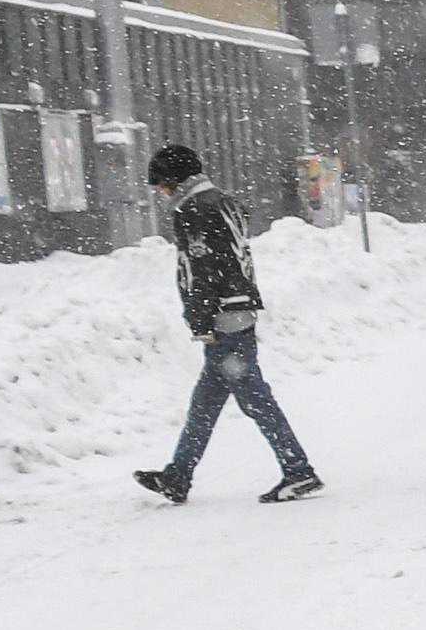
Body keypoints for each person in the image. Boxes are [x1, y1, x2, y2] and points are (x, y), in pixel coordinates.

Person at [133, 142, 322, 506]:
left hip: (224, 318)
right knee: (205, 402)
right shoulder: (222, 201)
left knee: (256, 400)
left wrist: (202, 317)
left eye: (162, 184)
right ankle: (178, 475)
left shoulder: (193, 209)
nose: (160, 191)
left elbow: (204, 268)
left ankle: (299, 470)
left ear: (176, 179)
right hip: (237, 309)